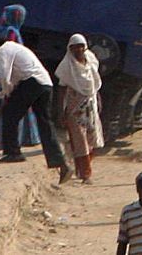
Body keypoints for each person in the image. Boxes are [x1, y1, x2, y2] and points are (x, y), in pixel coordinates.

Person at [0, 31, 69, 180]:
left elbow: (5, 76)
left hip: (32, 83)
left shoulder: (3, 50)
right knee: (45, 123)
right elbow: (11, 73)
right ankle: (59, 161)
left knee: (9, 113)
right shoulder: (15, 48)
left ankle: (13, 152)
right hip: (45, 83)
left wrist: (6, 93)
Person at [56, 33, 104, 183]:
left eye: (81, 46)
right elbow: (61, 90)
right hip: (75, 110)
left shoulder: (91, 62)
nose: (78, 50)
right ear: (70, 49)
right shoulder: (66, 67)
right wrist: (60, 111)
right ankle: (85, 174)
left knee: (92, 139)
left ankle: (80, 169)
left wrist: (98, 99)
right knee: (80, 142)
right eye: (75, 47)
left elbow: (95, 85)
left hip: (90, 107)